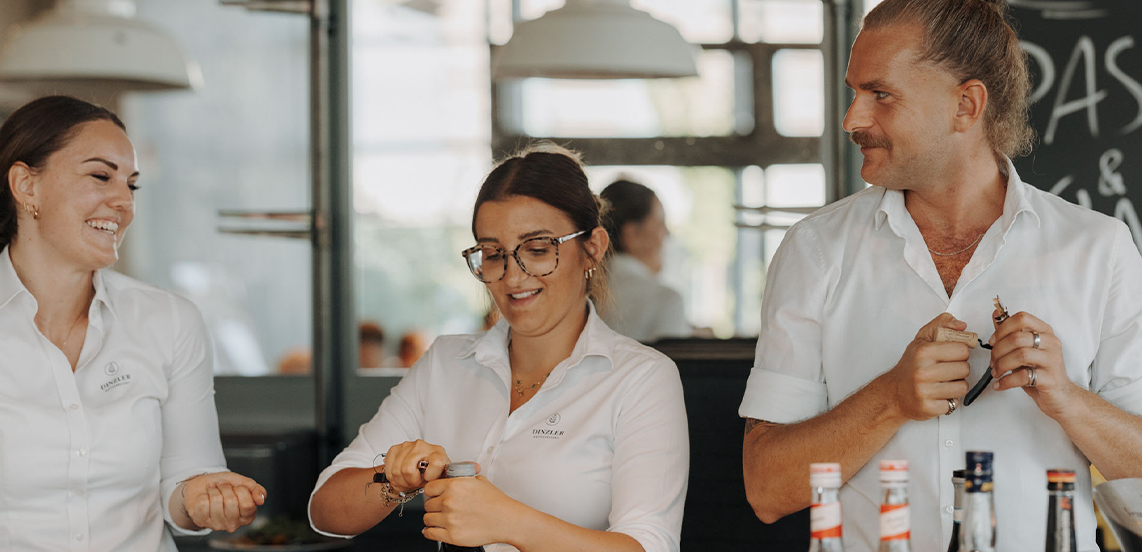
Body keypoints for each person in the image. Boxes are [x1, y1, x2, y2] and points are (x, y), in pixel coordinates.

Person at [739, 0, 1142, 551]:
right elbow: (767, 489)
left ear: (966, 105)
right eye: (854, 93)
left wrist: (1068, 400)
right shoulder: (815, 250)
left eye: (880, 95)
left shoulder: (1096, 249)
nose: (853, 119)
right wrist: (889, 399)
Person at [308, 145, 689, 552]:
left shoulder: (641, 378)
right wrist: (392, 480)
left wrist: (508, 521)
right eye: (493, 254)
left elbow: (649, 546)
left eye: (537, 250)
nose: (513, 277)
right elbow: (325, 510)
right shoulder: (446, 363)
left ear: (592, 247)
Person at [0, 96, 267, 551]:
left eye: (132, 185)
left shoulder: (169, 320)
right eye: (100, 176)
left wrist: (203, 496)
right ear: (27, 186)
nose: (124, 202)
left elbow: (187, 480)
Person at [599, 180, 690, 344]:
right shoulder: (665, 300)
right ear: (632, 234)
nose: (667, 235)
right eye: (660, 224)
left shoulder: (580, 294)